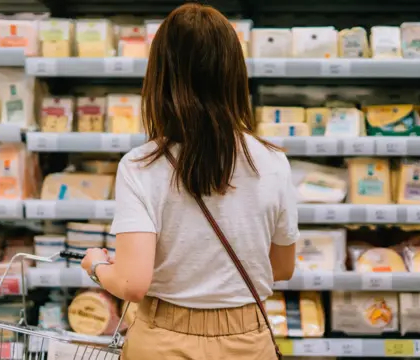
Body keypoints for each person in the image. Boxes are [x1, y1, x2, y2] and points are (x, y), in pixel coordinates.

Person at [81, 3, 299, 359]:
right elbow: (282, 268)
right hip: (247, 339)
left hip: (164, 340)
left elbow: (132, 284)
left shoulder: (140, 165)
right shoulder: (273, 162)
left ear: (160, 76)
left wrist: (96, 265)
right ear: (233, 74)